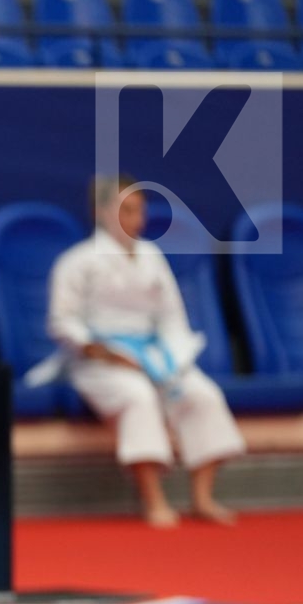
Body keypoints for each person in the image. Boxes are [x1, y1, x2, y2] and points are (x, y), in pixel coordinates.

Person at [44, 176, 244, 527]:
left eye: (140, 209)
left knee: (204, 395)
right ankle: (154, 499)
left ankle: (202, 498)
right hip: (99, 362)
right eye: (128, 209)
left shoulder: (152, 256)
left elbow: (172, 317)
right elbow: (62, 322)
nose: (138, 218)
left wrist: (171, 357)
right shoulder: (76, 261)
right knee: (138, 397)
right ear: (101, 212)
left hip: (155, 355)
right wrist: (104, 352)